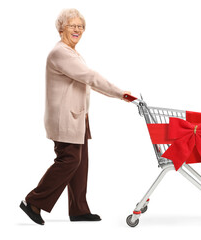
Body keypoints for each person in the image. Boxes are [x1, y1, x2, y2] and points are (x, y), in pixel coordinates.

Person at [20, 8, 131, 225]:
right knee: (69, 160)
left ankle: (79, 209)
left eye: (81, 26)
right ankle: (33, 201)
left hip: (79, 116)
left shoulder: (72, 53)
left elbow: (86, 80)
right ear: (61, 28)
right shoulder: (60, 53)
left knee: (81, 163)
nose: (77, 30)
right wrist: (120, 93)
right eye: (73, 25)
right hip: (65, 118)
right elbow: (90, 76)